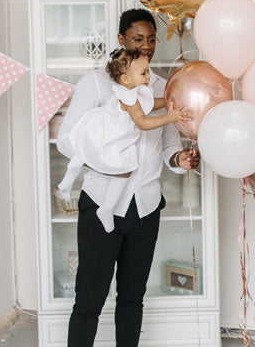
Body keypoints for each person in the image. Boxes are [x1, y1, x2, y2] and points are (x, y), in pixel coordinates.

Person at [57, 8, 200, 347]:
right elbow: (67, 140)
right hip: (101, 204)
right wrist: (106, 164)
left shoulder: (163, 85)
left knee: (133, 297)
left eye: (151, 40)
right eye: (138, 39)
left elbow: (167, 147)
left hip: (146, 208)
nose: (147, 46)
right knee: (89, 300)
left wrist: (180, 158)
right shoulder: (94, 83)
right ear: (121, 40)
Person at [58, 47, 190, 233]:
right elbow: (143, 122)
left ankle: (66, 183)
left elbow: (151, 104)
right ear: (126, 79)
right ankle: (106, 209)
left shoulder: (134, 92)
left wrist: (169, 101)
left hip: (113, 137)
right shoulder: (129, 98)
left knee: (83, 152)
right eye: (143, 73)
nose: (148, 77)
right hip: (114, 140)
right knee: (124, 169)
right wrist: (170, 117)